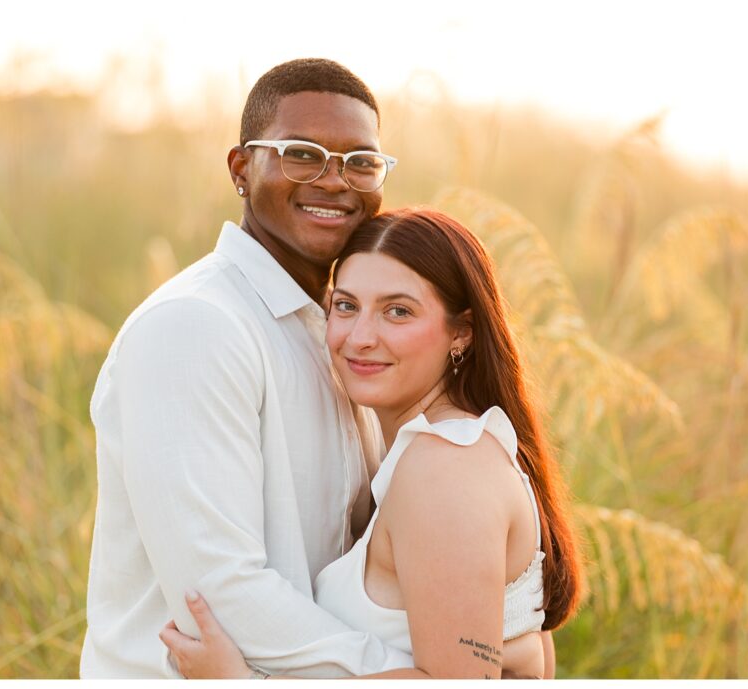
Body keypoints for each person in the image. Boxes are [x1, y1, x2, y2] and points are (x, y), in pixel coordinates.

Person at [80, 58, 543, 678]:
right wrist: (433, 671)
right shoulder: (195, 327)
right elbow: (218, 591)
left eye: (360, 162)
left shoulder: (344, 342)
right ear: (242, 169)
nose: (334, 180)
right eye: (301, 154)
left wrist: (492, 651)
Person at [159, 208, 583, 679]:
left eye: (397, 311)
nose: (359, 337)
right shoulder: (446, 450)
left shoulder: (446, 467)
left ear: (460, 332)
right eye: (345, 306)